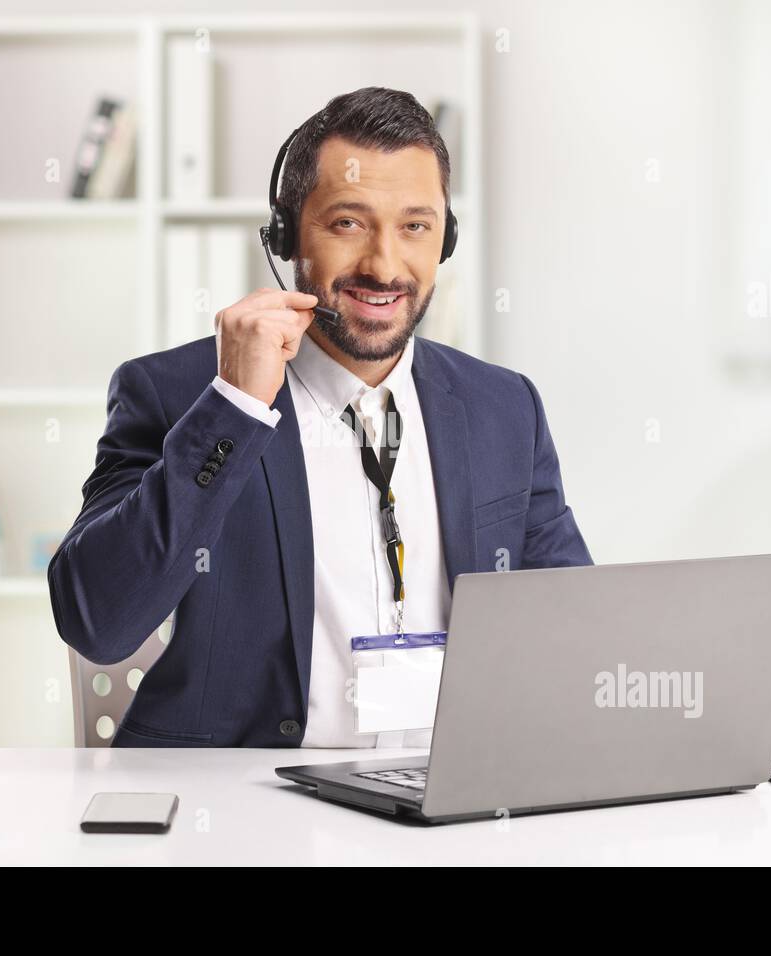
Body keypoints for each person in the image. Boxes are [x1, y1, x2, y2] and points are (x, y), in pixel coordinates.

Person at [48, 87, 592, 748]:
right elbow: (97, 620)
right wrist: (235, 409)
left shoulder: (503, 408)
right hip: (244, 810)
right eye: (348, 223)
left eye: (415, 225)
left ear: (445, 239)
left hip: (448, 802)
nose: (385, 266)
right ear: (284, 238)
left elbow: (572, 636)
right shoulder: (177, 394)